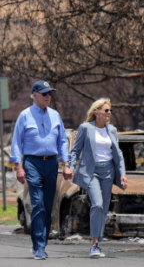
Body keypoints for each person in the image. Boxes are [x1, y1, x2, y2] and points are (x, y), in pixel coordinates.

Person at [10, 80, 73, 260]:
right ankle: (38, 246)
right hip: (32, 163)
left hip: (51, 164)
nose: (48, 97)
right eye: (44, 94)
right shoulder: (25, 115)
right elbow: (16, 142)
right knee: (37, 203)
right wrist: (18, 167)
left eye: (49, 93)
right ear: (34, 95)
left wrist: (66, 164)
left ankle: (41, 243)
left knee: (47, 205)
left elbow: (62, 141)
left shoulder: (55, 115)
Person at [64, 98, 128, 258]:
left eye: (110, 111)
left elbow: (118, 154)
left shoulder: (111, 130)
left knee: (104, 209)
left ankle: (98, 242)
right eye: (106, 110)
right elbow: (76, 150)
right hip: (91, 172)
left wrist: (122, 174)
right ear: (96, 112)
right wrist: (70, 167)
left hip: (108, 172)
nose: (109, 113)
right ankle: (94, 245)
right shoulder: (85, 128)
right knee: (97, 204)